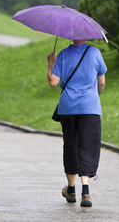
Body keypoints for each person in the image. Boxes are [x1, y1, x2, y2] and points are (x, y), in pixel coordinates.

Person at [47, 39, 107, 208]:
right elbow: (101, 82)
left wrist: (50, 64)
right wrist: (94, 97)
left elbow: (53, 82)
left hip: (68, 108)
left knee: (71, 145)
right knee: (88, 145)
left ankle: (71, 189)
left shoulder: (63, 54)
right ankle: (86, 191)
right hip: (90, 108)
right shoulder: (95, 53)